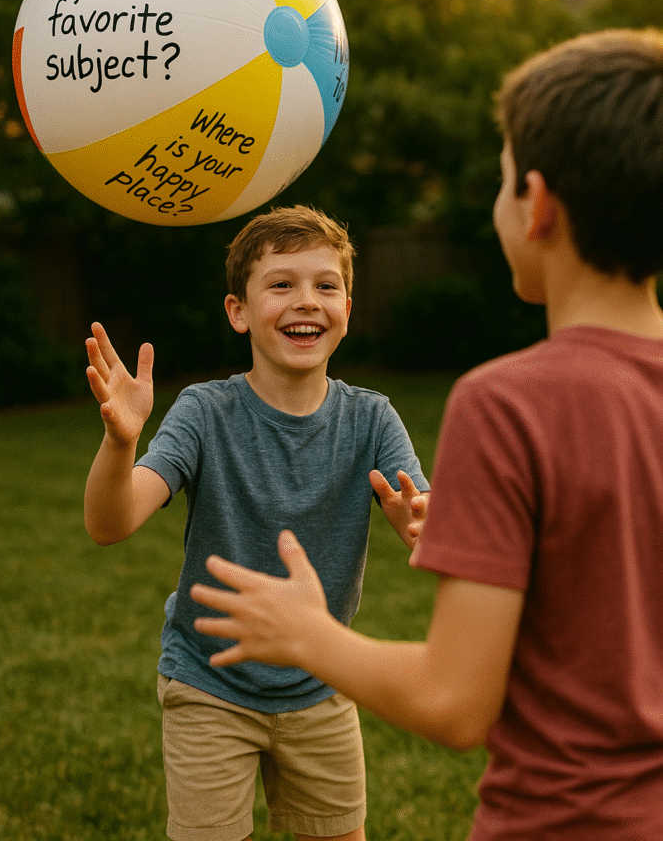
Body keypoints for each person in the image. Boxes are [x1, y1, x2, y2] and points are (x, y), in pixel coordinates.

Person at [190, 29, 663, 840]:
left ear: (536, 204)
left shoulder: (507, 403)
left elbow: (453, 702)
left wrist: (308, 635)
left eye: (501, 180)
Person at [84, 204, 430, 841]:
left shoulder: (372, 419)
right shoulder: (204, 412)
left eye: (326, 285)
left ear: (347, 308)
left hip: (321, 678)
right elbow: (112, 522)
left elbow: (422, 517)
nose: (307, 300)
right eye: (281, 284)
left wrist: (420, 522)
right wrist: (120, 443)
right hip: (208, 684)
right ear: (238, 311)